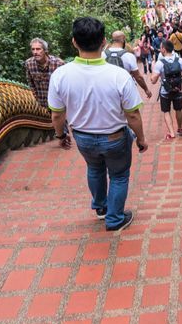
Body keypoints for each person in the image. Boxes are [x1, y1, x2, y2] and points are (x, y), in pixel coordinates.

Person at [48, 17, 149, 231]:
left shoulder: (60, 75)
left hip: (83, 137)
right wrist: (141, 139)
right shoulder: (119, 76)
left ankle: (102, 208)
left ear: (74, 42)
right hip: (114, 137)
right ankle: (115, 219)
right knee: (119, 176)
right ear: (103, 41)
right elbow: (133, 115)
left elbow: (57, 114)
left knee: (94, 169)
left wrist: (60, 136)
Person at [151, 40, 182, 141]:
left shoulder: (159, 63)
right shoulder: (180, 60)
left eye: (161, 48)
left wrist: (153, 68)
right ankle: (180, 128)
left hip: (165, 91)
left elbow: (153, 81)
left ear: (164, 49)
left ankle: (171, 132)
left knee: (166, 111)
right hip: (178, 90)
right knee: (178, 109)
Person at [104, 31, 152, 100]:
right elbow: (138, 77)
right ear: (123, 39)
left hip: (108, 91)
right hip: (126, 91)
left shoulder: (102, 55)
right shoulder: (129, 56)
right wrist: (146, 89)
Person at [24, 38, 66, 111]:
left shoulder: (58, 64)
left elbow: (65, 87)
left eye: (38, 49)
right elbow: (31, 84)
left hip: (58, 106)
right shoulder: (29, 64)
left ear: (45, 50)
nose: (35, 52)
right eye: (33, 49)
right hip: (41, 107)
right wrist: (36, 101)